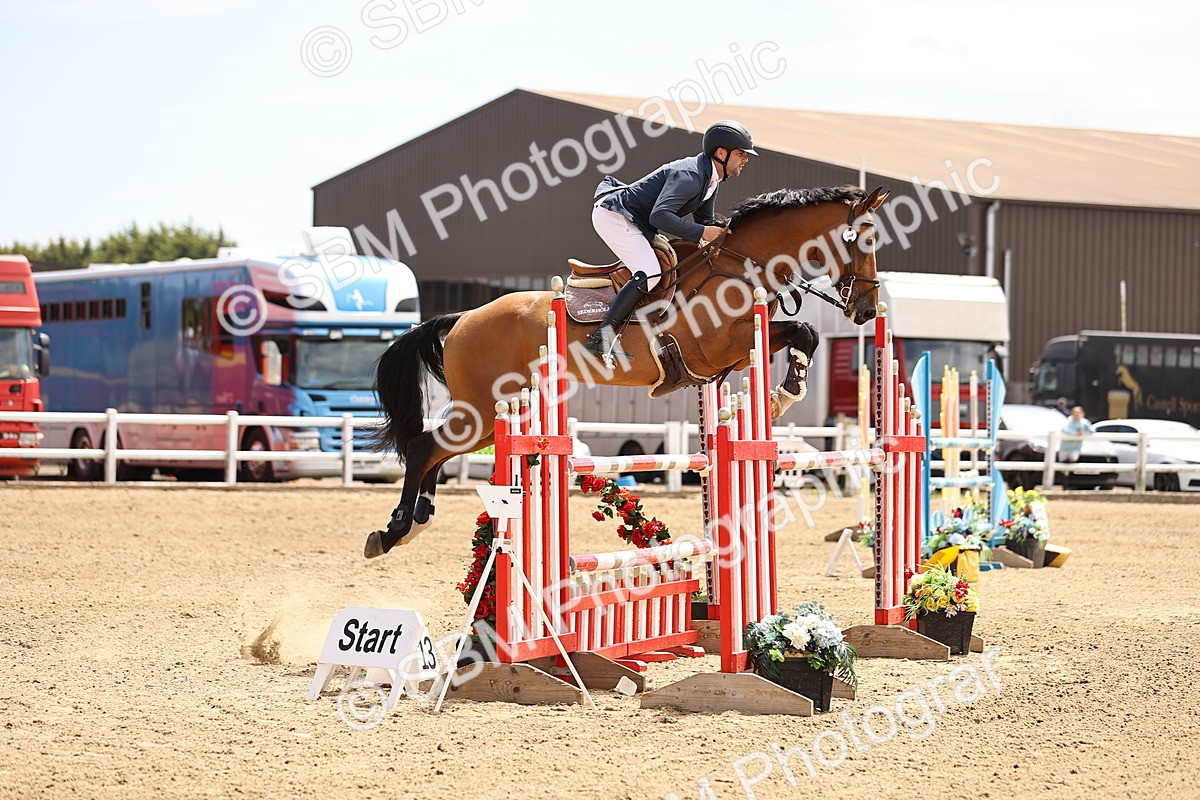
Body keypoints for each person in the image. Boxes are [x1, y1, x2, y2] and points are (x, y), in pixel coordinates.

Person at [586, 120, 757, 361]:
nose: (745, 159)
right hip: (615, 216)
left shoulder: (711, 180)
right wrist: (702, 232)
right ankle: (601, 337)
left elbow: (704, 220)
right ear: (721, 153)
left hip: (634, 219)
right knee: (650, 272)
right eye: (741, 154)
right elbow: (660, 216)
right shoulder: (690, 176)